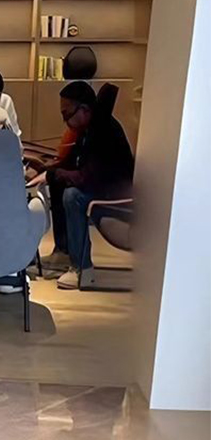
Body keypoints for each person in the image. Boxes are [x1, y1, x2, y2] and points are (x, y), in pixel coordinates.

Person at [41, 81, 134, 289]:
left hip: (114, 194)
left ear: (84, 109)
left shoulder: (103, 131)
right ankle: (64, 251)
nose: (65, 121)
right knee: (57, 182)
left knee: (72, 196)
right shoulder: (88, 129)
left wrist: (57, 173)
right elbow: (72, 162)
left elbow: (88, 176)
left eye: (66, 114)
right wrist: (49, 171)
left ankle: (82, 269)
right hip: (101, 187)